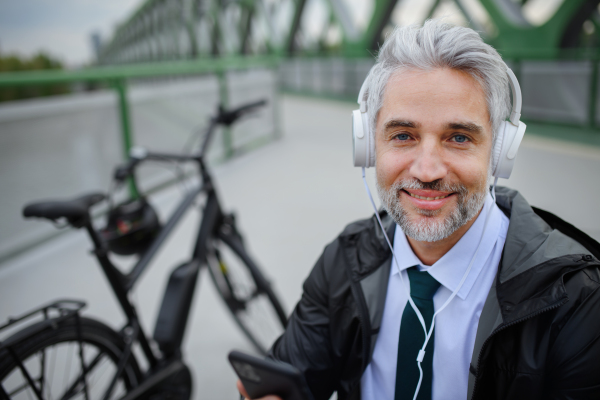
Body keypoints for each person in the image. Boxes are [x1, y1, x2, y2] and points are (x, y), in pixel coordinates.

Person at [238, 20, 600, 400]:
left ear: (500, 152)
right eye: (403, 136)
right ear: (367, 145)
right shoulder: (342, 262)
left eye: (458, 137)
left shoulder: (575, 300)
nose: (427, 171)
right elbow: (292, 377)